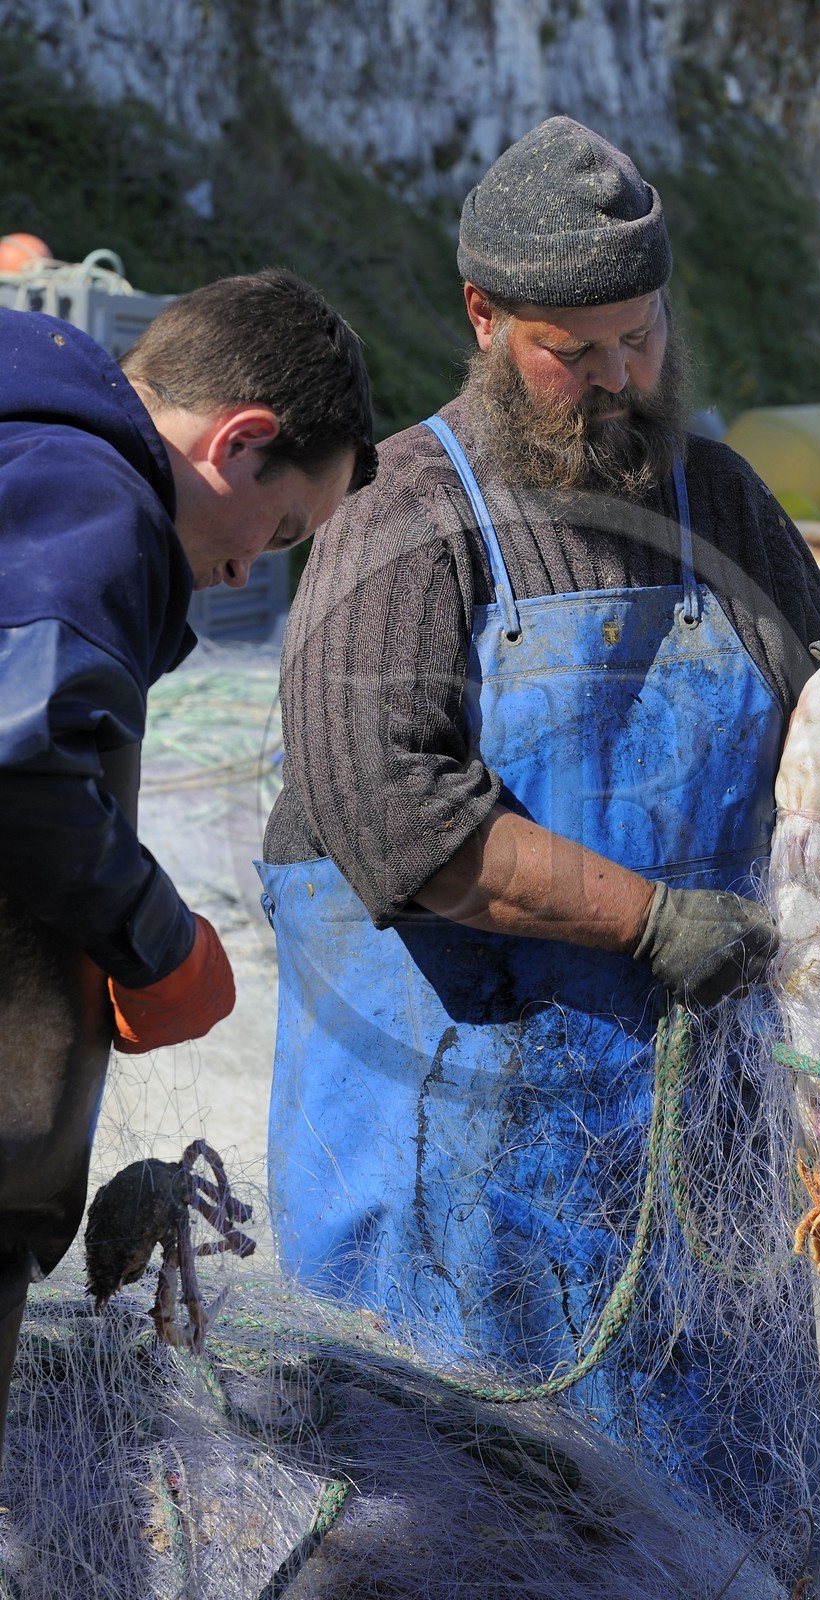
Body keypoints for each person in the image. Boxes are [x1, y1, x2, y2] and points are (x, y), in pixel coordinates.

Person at [261, 120, 820, 1592]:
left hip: (694, 1190)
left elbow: (808, 791)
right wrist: (646, 921)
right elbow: (391, 814)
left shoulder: (724, 499)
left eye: (641, 333)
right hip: (456, 1209)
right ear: (487, 321)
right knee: (464, 1550)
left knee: (712, 1549)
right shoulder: (398, 518)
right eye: (579, 348)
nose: (622, 373)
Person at [0, 268, 376, 1452]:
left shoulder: (29, 444)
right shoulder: (91, 501)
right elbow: (21, 764)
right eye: (283, 527)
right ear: (239, 442)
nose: (254, 566)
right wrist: (157, 940)